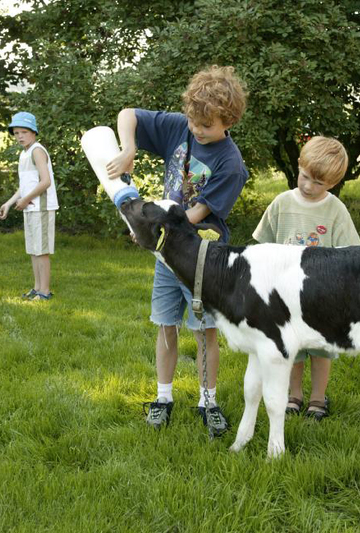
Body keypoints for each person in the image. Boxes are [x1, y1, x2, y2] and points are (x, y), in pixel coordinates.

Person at [106, 65, 248, 435]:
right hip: (165, 254)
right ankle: (163, 397)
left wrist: (146, 222)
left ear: (228, 120)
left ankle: (208, 401)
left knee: (205, 330)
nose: (197, 130)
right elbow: (128, 115)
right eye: (194, 122)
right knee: (165, 324)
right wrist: (129, 149)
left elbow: (194, 215)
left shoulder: (231, 165)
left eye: (206, 126)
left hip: (201, 257)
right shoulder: (181, 127)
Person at [252, 136, 360, 421]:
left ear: (333, 184)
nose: (309, 186)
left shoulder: (335, 210)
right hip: (286, 296)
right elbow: (262, 247)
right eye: (305, 177)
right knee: (293, 349)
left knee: (321, 349)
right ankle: (294, 394)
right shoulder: (281, 203)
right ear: (298, 166)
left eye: (319, 183)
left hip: (322, 296)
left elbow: (351, 253)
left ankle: (317, 398)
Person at [0, 111, 59, 301]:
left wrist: (25, 200)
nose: (20, 136)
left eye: (24, 132)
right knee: (33, 250)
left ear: (33, 132)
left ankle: (45, 292)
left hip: (41, 207)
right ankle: (37, 288)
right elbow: (24, 187)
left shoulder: (37, 151)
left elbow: (45, 181)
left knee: (42, 251)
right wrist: (8, 203)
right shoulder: (24, 154)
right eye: (16, 133)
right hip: (30, 207)